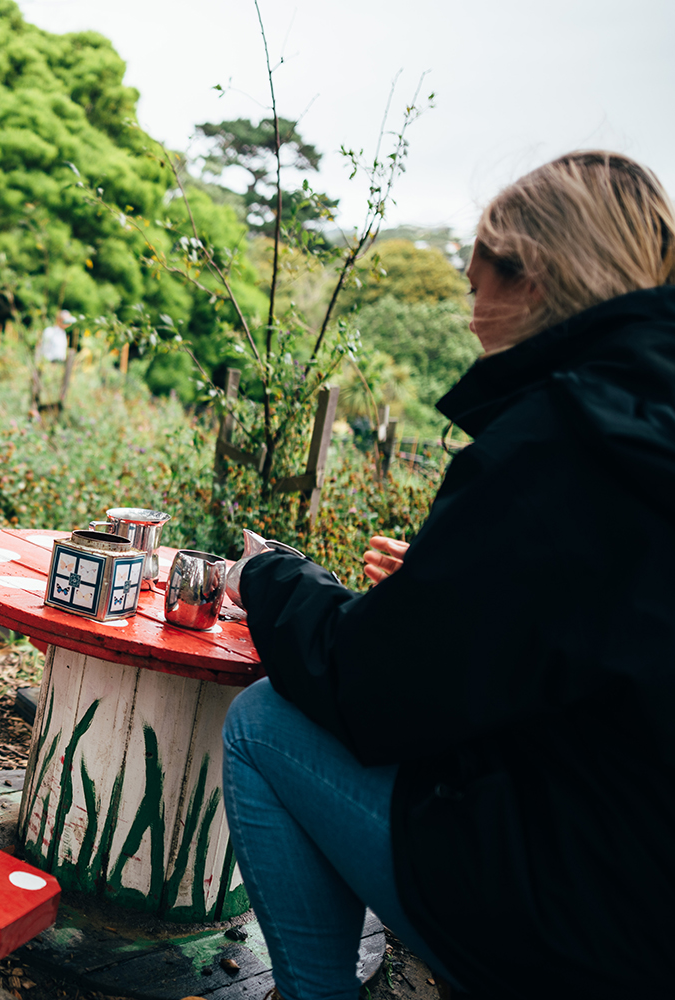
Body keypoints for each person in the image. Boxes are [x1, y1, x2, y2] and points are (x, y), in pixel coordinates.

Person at [219, 150, 675, 1000]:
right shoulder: (647, 424)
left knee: (263, 721)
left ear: (531, 279)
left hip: (587, 924)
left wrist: (269, 576)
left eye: (475, 287)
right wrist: (437, 586)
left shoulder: (562, 441)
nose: (470, 319)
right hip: (642, 878)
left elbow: (373, 693)